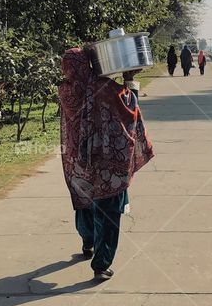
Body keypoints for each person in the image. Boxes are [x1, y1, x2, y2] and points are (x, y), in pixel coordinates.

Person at [58, 48, 154, 282]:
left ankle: (88, 241)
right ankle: (101, 264)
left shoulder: (65, 90)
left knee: (84, 201)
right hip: (107, 162)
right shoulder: (105, 88)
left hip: (78, 161)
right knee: (108, 208)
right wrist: (129, 79)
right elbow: (129, 108)